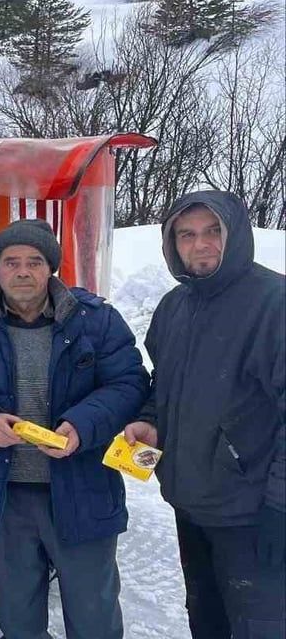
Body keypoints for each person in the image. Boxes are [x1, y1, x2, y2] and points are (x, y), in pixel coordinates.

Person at [0, 219, 148, 639]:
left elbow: (129, 383)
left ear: (51, 269)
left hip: (82, 489)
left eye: (34, 261)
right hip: (4, 494)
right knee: (19, 617)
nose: (22, 271)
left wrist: (83, 425)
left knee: (93, 614)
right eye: (11, 262)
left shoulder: (96, 320)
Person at [123, 191, 285, 639]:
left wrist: (280, 507)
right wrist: (150, 420)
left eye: (214, 231)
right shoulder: (174, 307)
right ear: (172, 244)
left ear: (236, 235)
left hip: (252, 515)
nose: (202, 244)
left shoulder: (274, 302)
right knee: (206, 622)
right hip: (190, 505)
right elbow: (165, 386)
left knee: (260, 627)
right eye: (187, 234)